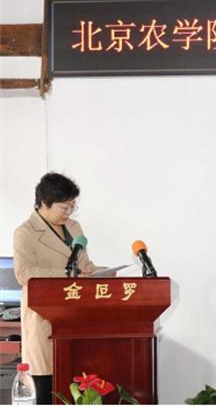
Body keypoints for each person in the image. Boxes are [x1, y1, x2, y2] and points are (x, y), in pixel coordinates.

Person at [13, 173, 98, 405]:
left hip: (77, 316)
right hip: (44, 320)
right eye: (64, 207)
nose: (69, 212)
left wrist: (104, 272)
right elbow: (24, 273)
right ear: (43, 203)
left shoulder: (74, 227)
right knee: (47, 387)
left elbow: (84, 266)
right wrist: (69, 275)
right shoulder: (25, 232)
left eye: (73, 206)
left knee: (78, 387)